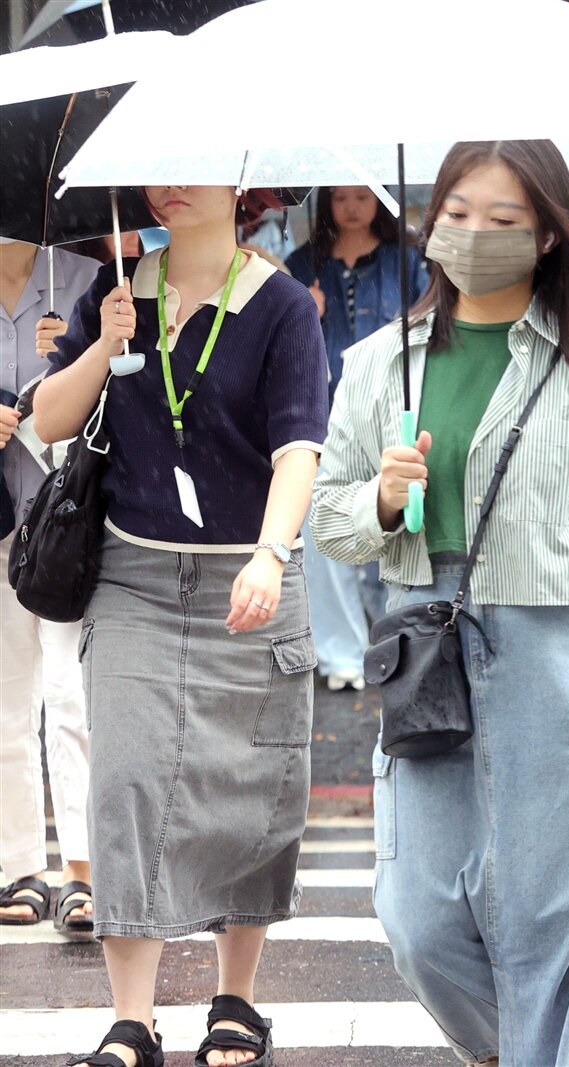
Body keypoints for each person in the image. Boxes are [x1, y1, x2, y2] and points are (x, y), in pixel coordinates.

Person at [312, 139, 569, 1067]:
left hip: (556, 664)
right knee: (419, 917)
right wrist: (383, 499)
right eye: (460, 214)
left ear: (551, 237)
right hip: (423, 657)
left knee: (545, 928)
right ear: (430, 222)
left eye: (506, 220)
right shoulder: (377, 365)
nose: (476, 234)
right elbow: (331, 517)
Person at [35, 184, 328, 1067]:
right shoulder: (118, 287)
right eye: (161, 165)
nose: (174, 183)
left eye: (196, 164)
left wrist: (272, 555)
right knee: (124, 780)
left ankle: (235, 1000)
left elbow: (299, 451)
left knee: (249, 787)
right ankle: (133, 1017)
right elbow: (48, 417)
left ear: (241, 182)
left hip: (253, 570)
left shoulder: (280, 304)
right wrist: (106, 346)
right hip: (134, 574)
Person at [287, 186, 430, 689]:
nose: (351, 207)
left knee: (387, 527)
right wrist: (306, 311)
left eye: (362, 197)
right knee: (329, 527)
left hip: (391, 404)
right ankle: (341, 653)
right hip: (322, 406)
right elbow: (282, 342)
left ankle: (390, 640)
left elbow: (427, 323)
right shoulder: (302, 263)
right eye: (341, 197)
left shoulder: (406, 259)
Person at [0, 237, 98, 940]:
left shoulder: (85, 279)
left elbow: (127, 386)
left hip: (67, 524)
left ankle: (83, 870)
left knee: (71, 697)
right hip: (1, 524)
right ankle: (19, 864)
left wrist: (69, 362)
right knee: (7, 701)